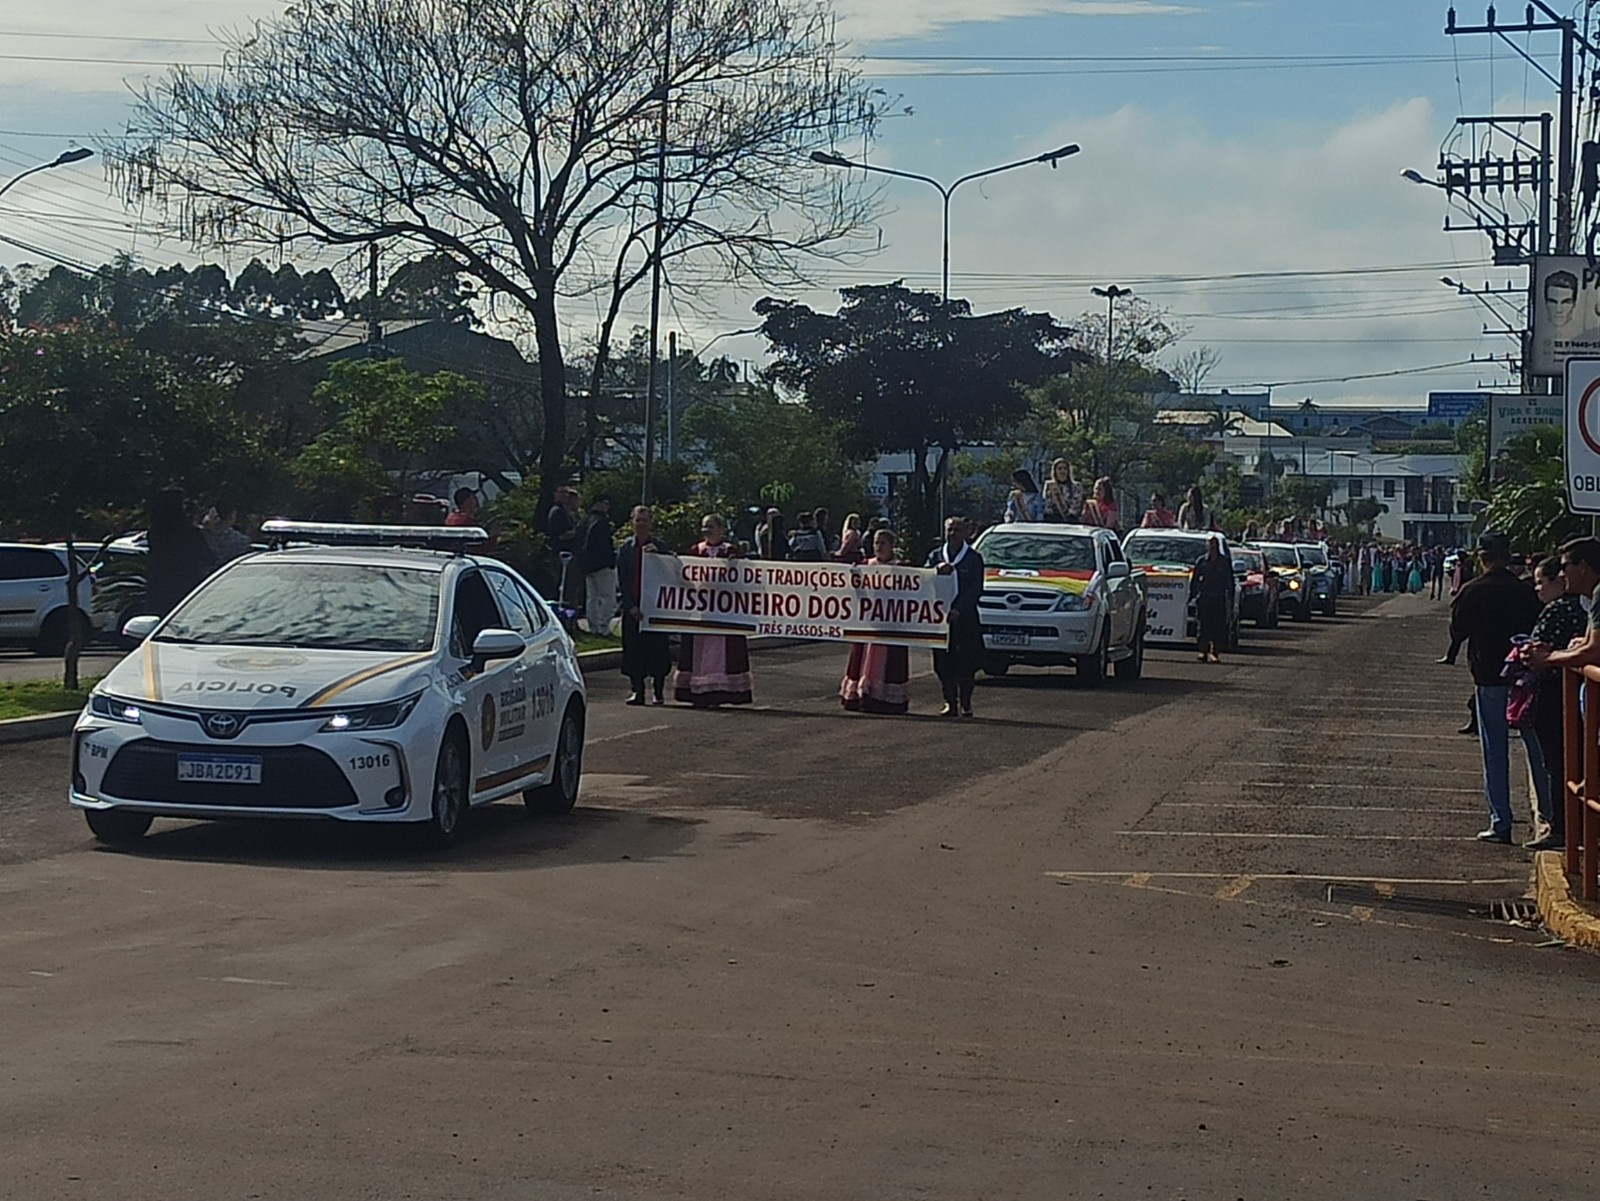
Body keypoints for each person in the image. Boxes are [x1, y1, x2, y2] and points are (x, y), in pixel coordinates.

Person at [1449, 530, 1549, 843]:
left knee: (1495, 750)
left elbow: (1457, 631)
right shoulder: (1526, 592)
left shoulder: (1472, 590)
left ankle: (1501, 822)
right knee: (1536, 750)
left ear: (1482, 558)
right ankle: (1549, 818)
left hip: (1490, 677)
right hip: (1526, 678)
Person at [1517, 555, 1589, 848]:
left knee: (1557, 761)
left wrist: (1528, 655)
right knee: (1580, 760)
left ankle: (1560, 826)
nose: (1537, 589)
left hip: (1555, 693)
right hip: (1579, 695)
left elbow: (1535, 651)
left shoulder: (1557, 610)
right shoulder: (1585, 608)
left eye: (1540, 582)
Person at [674, 514, 753, 707]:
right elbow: (683, 574)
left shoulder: (730, 551)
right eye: (704, 527)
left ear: (721, 529)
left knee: (722, 653)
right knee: (699, 651)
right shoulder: (696, 551)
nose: (706, 531)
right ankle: (698, 691)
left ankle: (721, 691)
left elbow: (742, 579)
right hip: (701, 610)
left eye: (710, 526)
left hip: (724, 612)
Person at [839, 529, 912, 714]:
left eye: (883, 543)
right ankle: (861, 694)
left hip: (891, 624)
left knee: (888, 663)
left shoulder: (901, 568)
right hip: (868, 621)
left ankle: (886, 699)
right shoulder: (865, 565)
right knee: (863, 657)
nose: (878, 547)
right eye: (876, 543)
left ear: (891, 546)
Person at [926, 515, 985, 718]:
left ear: (966, 533)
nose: (952, 534)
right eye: (949, 530)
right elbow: (922, 581)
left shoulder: (974, 559)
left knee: (966, 664)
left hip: (965, 619)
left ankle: (966, 702)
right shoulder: (935, 556)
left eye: (957, 530)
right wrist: (935, 571)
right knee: (942, 664)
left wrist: (959, 609)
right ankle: (949, 702)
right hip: (940, 620)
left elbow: (975, 589)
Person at [616, 505, 673, 706]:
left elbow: (672, 571)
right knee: (633, 651)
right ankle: (637, 691)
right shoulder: (625, 549)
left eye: (644, 520)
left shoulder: (660, 546)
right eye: (637, 520)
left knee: (658, 651)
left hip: (655, 609)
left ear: (651, 523)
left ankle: (658, 692)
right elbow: (621, 579)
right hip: (633, 608)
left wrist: (658, 556)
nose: (641, 524)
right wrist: (630, 606)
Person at [145, 486, 217, 617]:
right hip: (185, 587)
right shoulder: (190, 532)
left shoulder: (154, 533)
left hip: (158, 588)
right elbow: (208, 557)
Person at [578, 495, 617, 635]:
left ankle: (593, 626)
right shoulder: (602, 522)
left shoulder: (584, 521)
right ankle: (603, 627)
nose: (607, 507)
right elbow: (605, 544)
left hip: (586, 564)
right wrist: (611, 560)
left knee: (592, 597)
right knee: (607, 596)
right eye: (605, 503)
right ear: (598, 504)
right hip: (602, 563)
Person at [1192, 535, 1232, 664]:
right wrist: (1193, 595)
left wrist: (1229, 599)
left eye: (1214, 544)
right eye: (1210, 544)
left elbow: (1229, 581)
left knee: (1218, 626)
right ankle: (1203, 651)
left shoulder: (1224, 562)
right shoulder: (1201, 561)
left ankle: (1215, 653)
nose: (1212, 547)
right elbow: (1195, 580)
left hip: (1218, 597)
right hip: (1204, 597)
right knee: (1203, 626)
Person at [547, 485, 583, 610]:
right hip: (562, 556)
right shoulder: (557, 512)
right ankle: (565, 616)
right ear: (555, 494)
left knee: (572, 588)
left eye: (566, 493)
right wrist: (578, 531)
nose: (564, 495)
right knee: (566, 588)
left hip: (571, 554)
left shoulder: (567, 512)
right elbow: (561, 535)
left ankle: (572, 617)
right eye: (561, 492)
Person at [1041, 460, 1083, 524]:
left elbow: (1076, 504)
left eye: (1065, 468)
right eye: (1059, 469)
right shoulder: (1049, 485)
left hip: (1070, 519)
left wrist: (1068, 515)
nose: (1062, 471)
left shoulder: (1076, 486)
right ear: (1055, 471)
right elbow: (1046, 502)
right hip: (1052, 518)